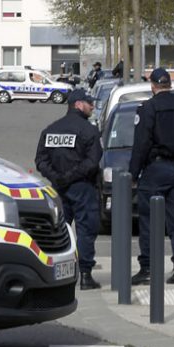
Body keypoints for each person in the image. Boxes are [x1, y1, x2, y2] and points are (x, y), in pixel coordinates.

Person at [129, 67, 174, 286]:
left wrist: (133, 173)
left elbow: (141, 143)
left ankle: (147, 268)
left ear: (152, 85)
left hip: (154, 169)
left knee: (148, 221)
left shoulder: (148, 108)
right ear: (169, 84)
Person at [34, 88, 102, 290]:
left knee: (59, 232)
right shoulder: (89, 131)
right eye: (89, 103)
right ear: (78, 105)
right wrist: (70, 176)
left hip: (59, 189)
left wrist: (57, 177)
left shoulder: (51, 129)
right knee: (86, 231)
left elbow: (41, 160)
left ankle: (55, 276)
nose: (92, 106)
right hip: (82, 188)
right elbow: (93, 161)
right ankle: (86, 276)